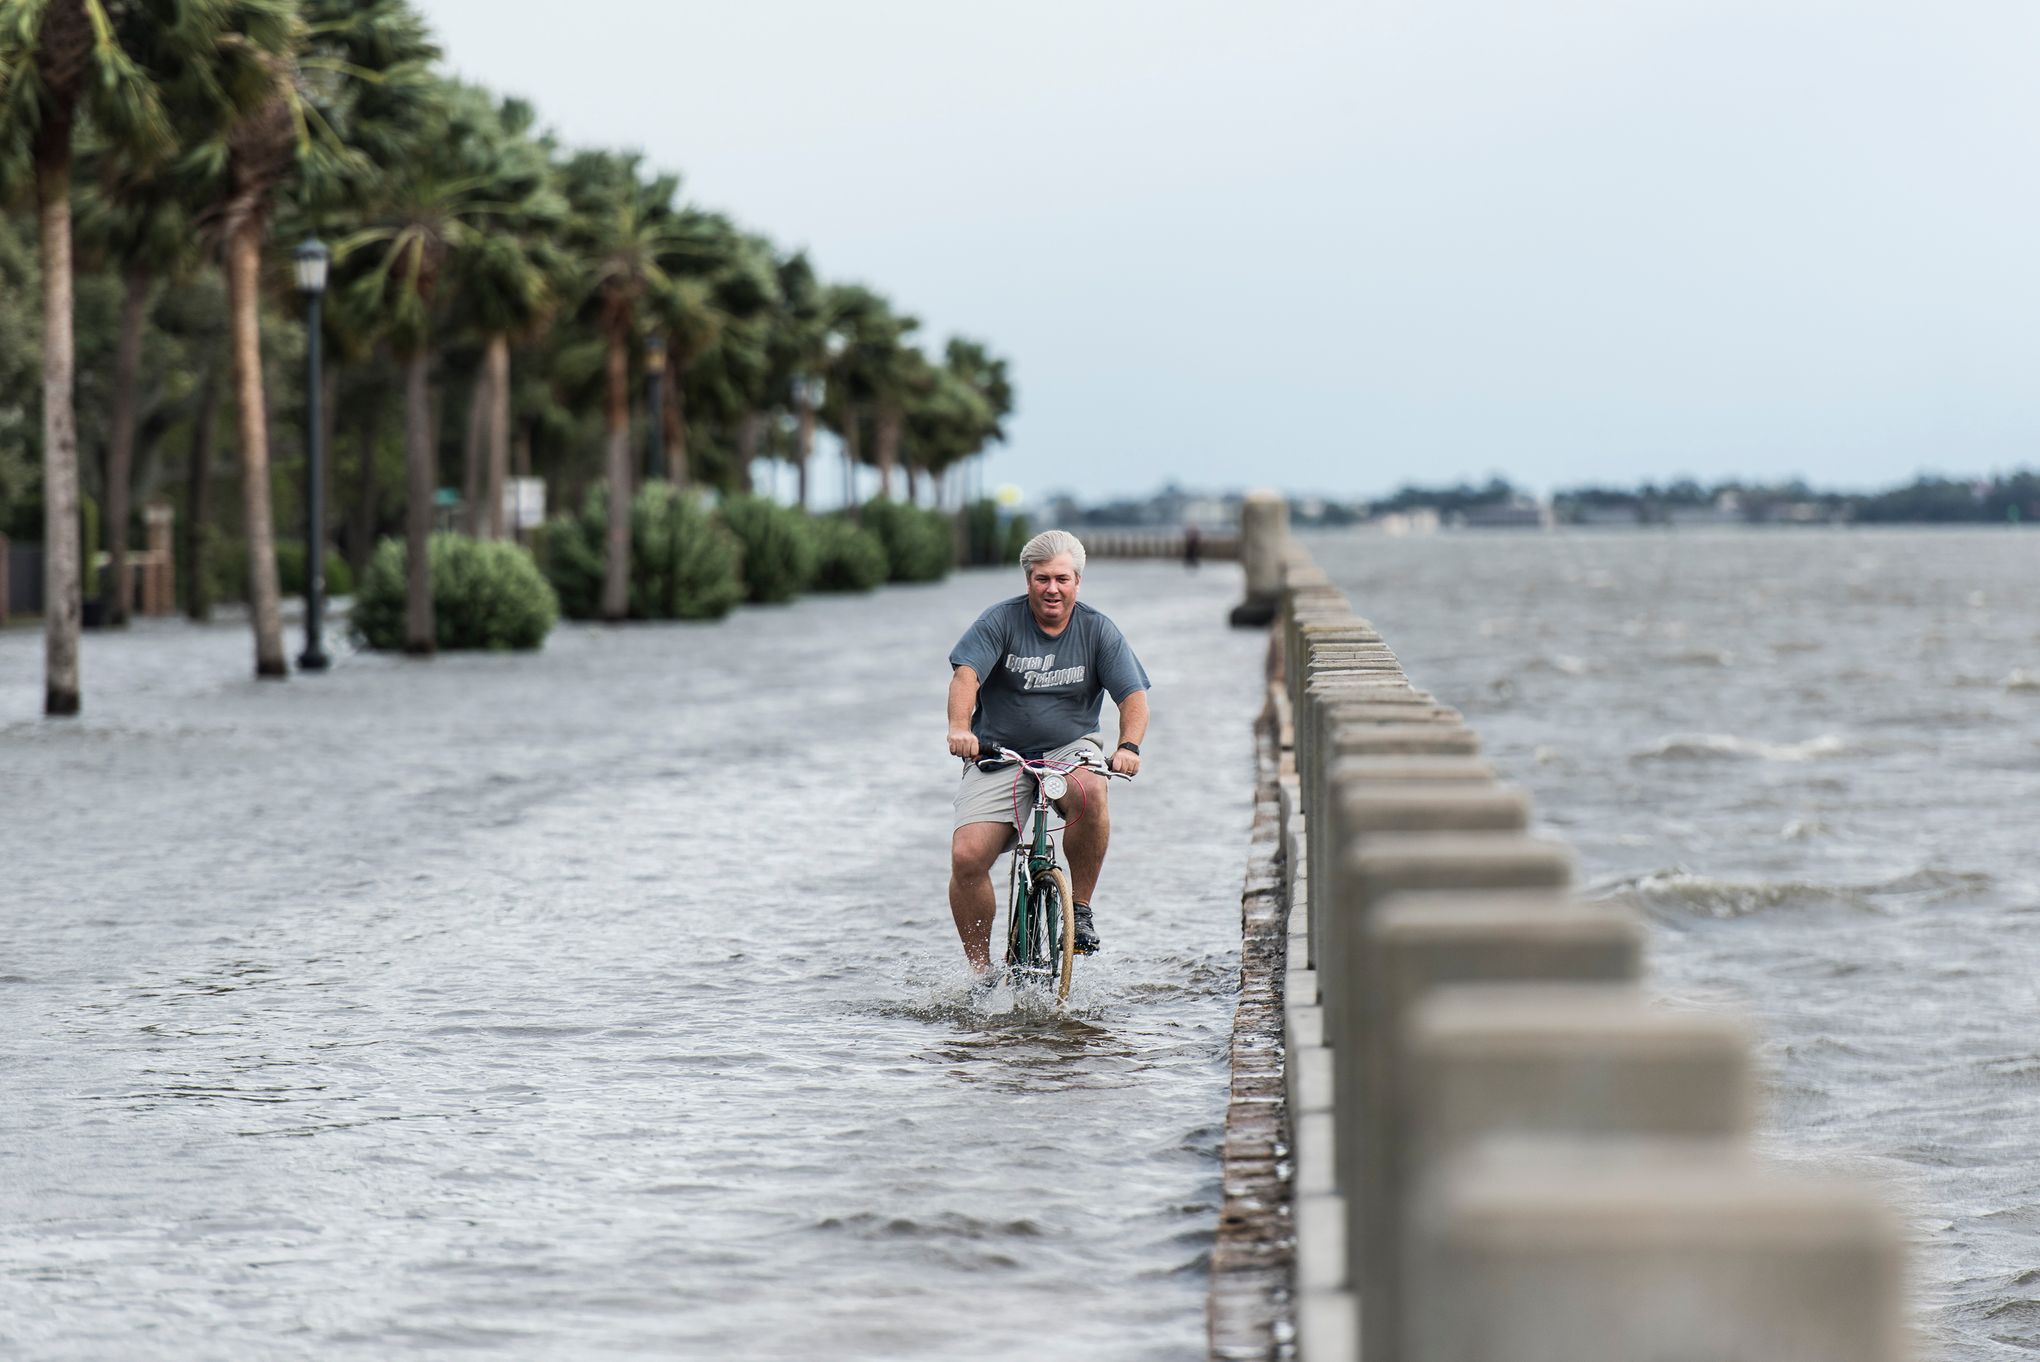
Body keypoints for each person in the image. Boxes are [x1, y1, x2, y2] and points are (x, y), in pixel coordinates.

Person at [946, 529, 1150, 978]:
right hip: (1000, 753)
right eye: (1042, 579)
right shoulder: (999, 621)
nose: (1052, 589)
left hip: (1069, 749)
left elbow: (1132, 697)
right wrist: (961, 729)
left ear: (1077, 582)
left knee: (1093, 792)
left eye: (1062, 579)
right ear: (1028, 581)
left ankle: (1079, 910)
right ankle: (980, 974)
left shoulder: (1098, 630)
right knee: (967, 858)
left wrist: (1128, 747)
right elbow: (966, 677)